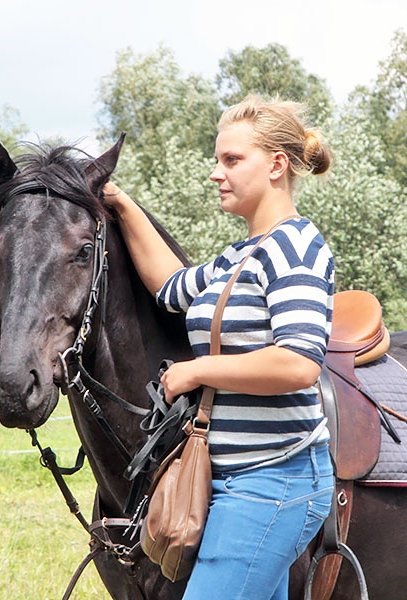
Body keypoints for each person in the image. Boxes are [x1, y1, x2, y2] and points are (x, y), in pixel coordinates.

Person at [102, 94, 335, 600]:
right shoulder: (240, 254)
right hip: (234, 482)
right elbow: (170, 285)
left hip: (274, 482)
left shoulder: (293, 248)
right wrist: (121, 204)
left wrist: (197, 370)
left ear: (276, 165)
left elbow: (299, 363)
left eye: (231, 160)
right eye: (218, 160)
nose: (216, 173)